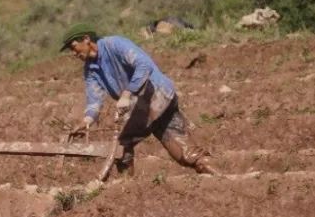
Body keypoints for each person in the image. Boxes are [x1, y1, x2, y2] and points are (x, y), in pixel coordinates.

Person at [61, 22, 220, 177]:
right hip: (155, 103)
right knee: (185, 153)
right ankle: (220, 177)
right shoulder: (90, 70)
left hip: (155, 95)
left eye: (73, 47)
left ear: (87, 39)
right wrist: (87, 120)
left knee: (123, 144)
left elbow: (144, 65)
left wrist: (127, 94)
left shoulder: (115, 44)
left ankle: (125, 188)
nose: (73, 53)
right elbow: (94, 98)